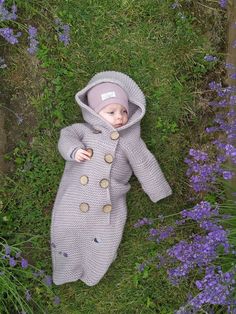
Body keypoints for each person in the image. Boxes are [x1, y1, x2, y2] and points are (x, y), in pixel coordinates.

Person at [50, 71, 173, 286]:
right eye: (111, 111)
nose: (119, 117)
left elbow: (144, 163)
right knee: (66, 229)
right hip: (73, 198)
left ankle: (92, 270)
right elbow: (65, 137)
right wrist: (74, 151)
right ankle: (65, 268)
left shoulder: (130, 140)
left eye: (124, 111)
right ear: (95, 113)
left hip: (107, 204)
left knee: (103, 239)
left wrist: (158, 190)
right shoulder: (83, 131)